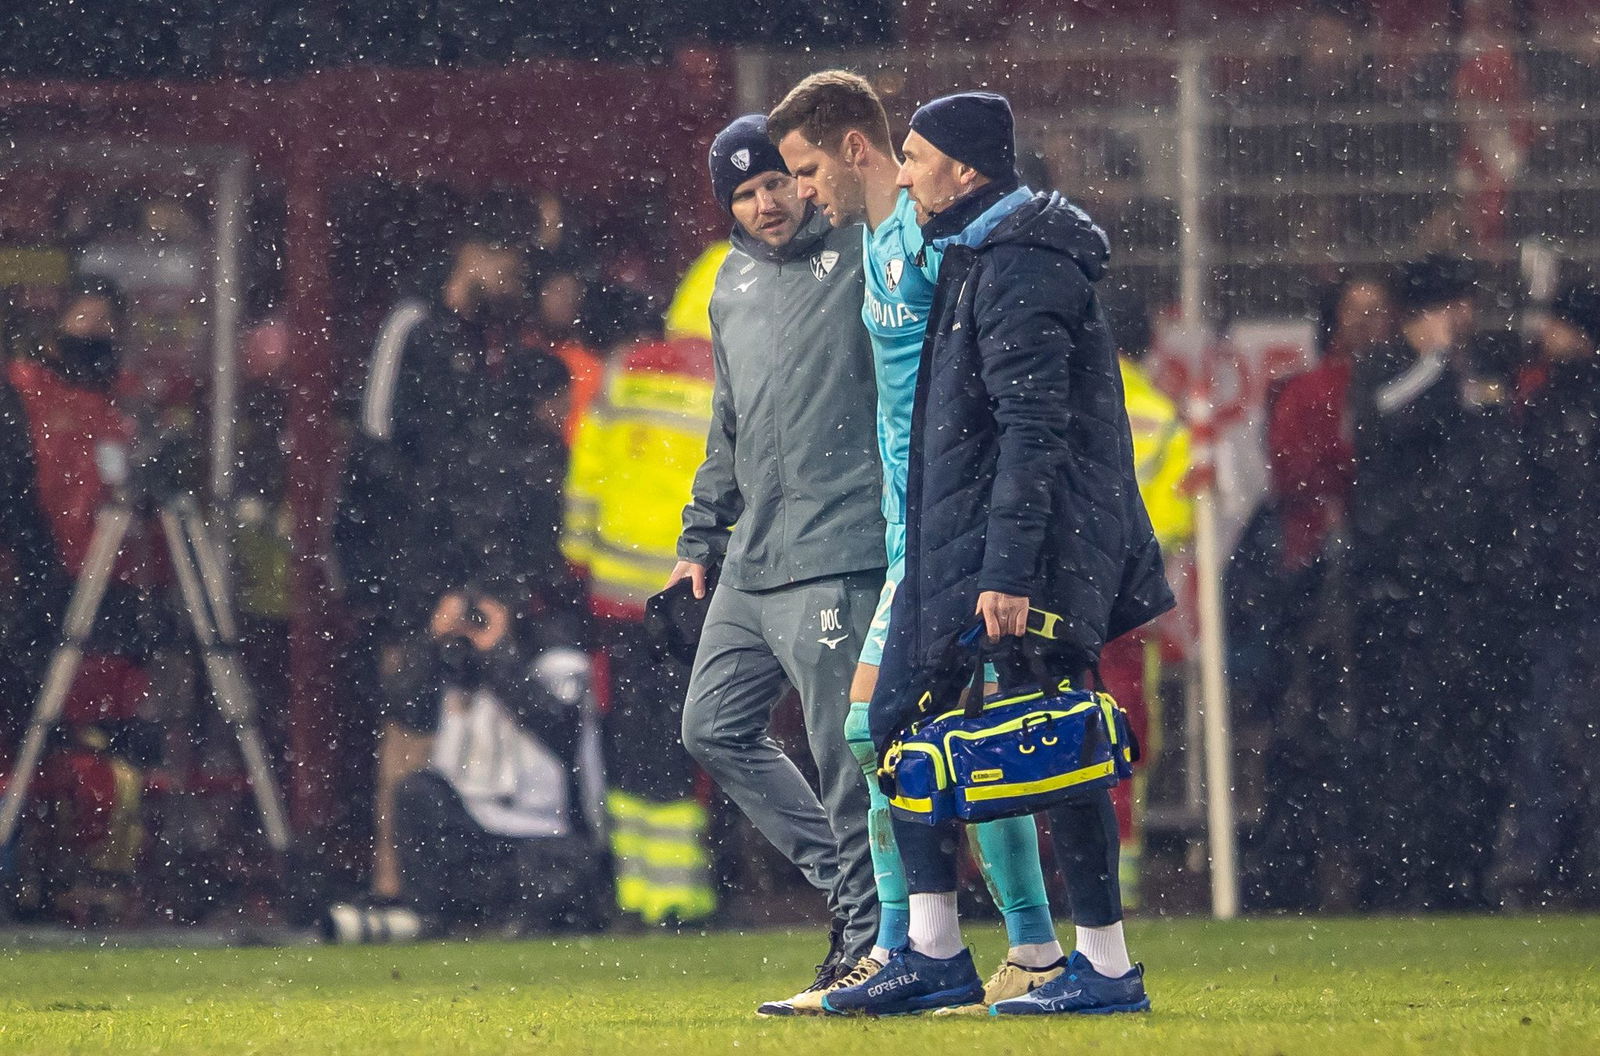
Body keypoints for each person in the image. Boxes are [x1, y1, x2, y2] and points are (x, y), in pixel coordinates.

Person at [825, 91, 1173, 1017]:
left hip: (1024, 555)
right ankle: (940, 952)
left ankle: (1099, 964)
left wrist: (1010, 572)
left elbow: (1032, 430)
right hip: (969, 543)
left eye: (915, 156)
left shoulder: (1021, 266)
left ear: (967, 170)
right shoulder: (985, 255)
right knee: (901, 722)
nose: (903, 174)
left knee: (1056, 743)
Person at [767, 69, 1075, 1015]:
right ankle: (968, 950)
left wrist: (994, 528)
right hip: (914, 528)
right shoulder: (871, 246)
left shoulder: (931, 242)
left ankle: (950, 948)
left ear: (855, 149)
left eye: (808, 169)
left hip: (957, 531)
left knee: (887, 731)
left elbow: (993, 373)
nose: (800, 192)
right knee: (924, 740)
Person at [670, 114, 886, 1011]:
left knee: (845, 754)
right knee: (711, 726)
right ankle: (856, 896)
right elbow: (728, 423)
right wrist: (699, 535)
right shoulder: (729, 285)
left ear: (806, 178)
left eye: (776, 184)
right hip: (754, 558)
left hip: (839, 548)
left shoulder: (865, 250)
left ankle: (875, 944)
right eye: (745, 193)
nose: (766, 204)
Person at [334, 215, 586, 907]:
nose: (516, 280)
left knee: (438, 708)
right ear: (474, 251)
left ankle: (426, 882)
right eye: (509, 260)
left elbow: (465, 470)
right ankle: (394, 881)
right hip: (411, 563)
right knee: (408, 706)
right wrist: (399, 575)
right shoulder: (418, 327)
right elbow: (378, 452)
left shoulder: (479, 342)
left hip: (452, 561)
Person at [1347, 254, 1525, 910]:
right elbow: (1380, 421)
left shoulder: (1472, 374)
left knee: (1474, 739)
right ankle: (1402, 879)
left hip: (1468, 590)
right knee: (1405, 742)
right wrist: (1438, 366)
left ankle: (1466, 875)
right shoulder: (1388, 369)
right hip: (1400, 593)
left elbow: (1497, 467)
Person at [0, 277, 159, 923]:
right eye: (81, 319)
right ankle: (32, 872)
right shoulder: (24, 393)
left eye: (103, 320)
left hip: (111, 584)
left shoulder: (124, 405)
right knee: (31, 731)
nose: (92, 334)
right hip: (39, 582)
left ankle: (86, 875)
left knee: (102, 734)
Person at [562, 296, 718, 927]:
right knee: (692, 739)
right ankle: (683, 894)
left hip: (616, 595)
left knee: (629, 737)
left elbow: (587, 473)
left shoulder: (624, 369)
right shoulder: (730, 379)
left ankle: (636, 893)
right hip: (688, 593)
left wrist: (581, 555)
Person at [323, 594, 604, 941]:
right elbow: (403, 708)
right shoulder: (453, 660)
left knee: (549, 896)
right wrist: (433, 640)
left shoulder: (556, 658)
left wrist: (499, 654)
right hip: (470, 829)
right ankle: (427, 917)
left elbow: (558, 727)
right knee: (416, 792)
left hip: (541, 834)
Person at [1492, 279, 1600, 903]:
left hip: (1565, 595)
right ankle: (1550, 865)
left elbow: (1533, 497)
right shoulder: (1549, 400)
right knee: (1550, 736)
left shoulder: (1552, 402)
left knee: (1549, 736)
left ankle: (1538, 863)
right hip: (1564, 595)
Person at [1097, 282, 1193, 909]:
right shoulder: (1162, 415)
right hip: (1127, 600)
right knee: (1126, 730)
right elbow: (1178, 523)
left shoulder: (1066, 404)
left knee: (1033, 723)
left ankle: (1028, 877)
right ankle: (1119, 873)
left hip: (1056, 595)